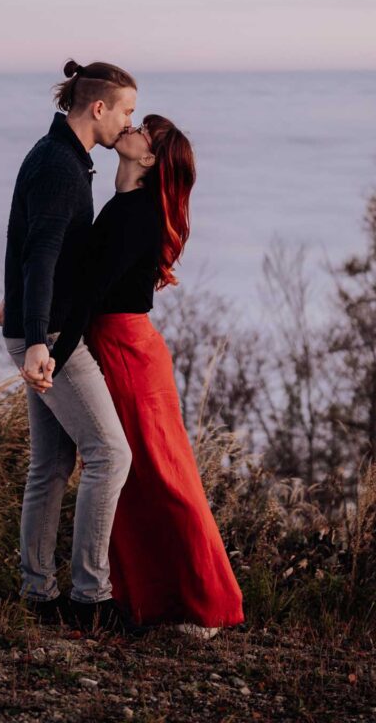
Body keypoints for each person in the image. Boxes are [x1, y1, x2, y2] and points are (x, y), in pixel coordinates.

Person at [50, 114, 244, 638]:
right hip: (120, 346)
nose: (131, 127)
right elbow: (79, 277)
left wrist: (55, 354)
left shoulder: (134, 214)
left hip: (129, 352)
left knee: (160, 473)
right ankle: (144, 600)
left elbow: (88, 293)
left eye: (143, 131)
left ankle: (204, 601)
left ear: (149, 158)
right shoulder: (123, 206)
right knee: (129, 476)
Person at [0, 58, 146, 636]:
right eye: (127, 111)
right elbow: (40, 255)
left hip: (39, 330)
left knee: (52, 464)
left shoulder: (58, 155)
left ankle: (39, 596)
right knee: (112, 454)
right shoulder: (61, 166)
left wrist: (19, 310)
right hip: (50, 338)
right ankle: (90, 599)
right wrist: (36, 339)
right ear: (99, 107)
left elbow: (30, 242)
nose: (127, 123)